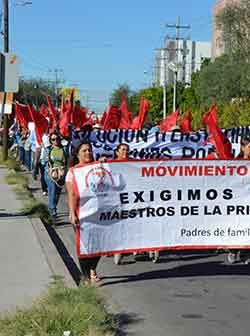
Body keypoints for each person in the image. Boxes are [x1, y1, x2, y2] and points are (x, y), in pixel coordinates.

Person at [66, 141, 101, 285]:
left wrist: (104, 164)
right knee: (85, 244)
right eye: (84, 151)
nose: (88, 153)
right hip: (82, 214)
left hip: (99, 213)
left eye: (90, 150)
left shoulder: (97, 167)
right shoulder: (73, 172)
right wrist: (72, 213)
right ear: (78, 154)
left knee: (100, 243)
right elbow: (72, 194)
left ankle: (93, 268)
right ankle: (85, 275)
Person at [227, 135, 250, 264]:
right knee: (237, 224)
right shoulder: (236, 162)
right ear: (242, 147)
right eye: (249, 147)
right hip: (238, 200)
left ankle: (246, 253)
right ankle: (233, 250)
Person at [45, 132, 67, 218]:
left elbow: (67, 161)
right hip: (51, 173)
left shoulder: (64, 149)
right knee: (52, 190)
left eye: (57, 139)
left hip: (61, 173)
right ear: (50, 141)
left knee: (58, 193)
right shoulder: (48, 149)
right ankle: (53, 209)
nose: (56, 141)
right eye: (53, 139)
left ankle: (52, 206)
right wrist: (45, 159)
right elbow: (43, 161)